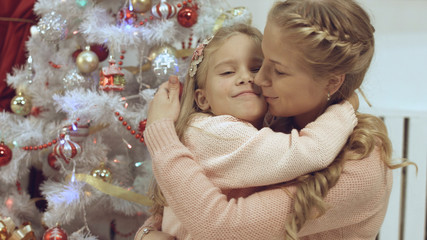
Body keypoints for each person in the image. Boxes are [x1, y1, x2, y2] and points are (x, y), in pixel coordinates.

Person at [139, 0, 416, 239]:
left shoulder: (361, 166)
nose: (257, 79)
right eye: (265, 60)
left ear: (331, 81)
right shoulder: (272, 124)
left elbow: (222, 229)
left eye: (278, 71)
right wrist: (147, 233)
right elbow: (186, 198)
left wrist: (161, 136)